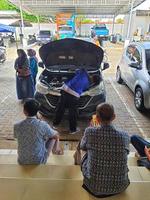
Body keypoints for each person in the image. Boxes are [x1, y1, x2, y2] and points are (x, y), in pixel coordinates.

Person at [80, 103, 130, 198]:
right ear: (114, 117)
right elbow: (126, 153)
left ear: (97, 118)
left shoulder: (89, 131)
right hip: (120, 186)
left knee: (84, 149)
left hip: (93, 187)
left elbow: (83, 147)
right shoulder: (125, 135)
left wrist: (92, 130)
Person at [14, 98, 62, 165]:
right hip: (39, 161)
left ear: (24, 111)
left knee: (44, 136)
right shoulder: (42, 125)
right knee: (54, 136)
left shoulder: (16, 125)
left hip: (22, 160)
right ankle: (57, 150)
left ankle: (56, 150)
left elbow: (17, 137)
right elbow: (56, 135)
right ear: (37, 111)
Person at [53, 69, 100, 134]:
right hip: (73, 95)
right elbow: (83, 90)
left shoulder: (83, 72)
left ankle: (55, 125)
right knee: (72, 112)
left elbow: (75, 71)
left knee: (60, 108)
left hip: (65, 89)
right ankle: (73, 130)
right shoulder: (88, 85)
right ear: (94, 82)